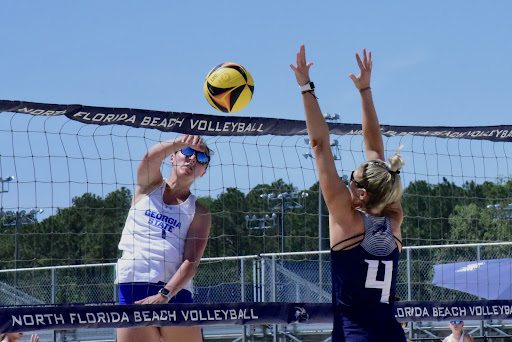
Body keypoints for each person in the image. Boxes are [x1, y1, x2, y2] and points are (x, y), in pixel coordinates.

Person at [291, 44, 406, 341]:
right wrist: (365, 91)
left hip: (355, 335)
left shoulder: (347, 219)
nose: (347, 182)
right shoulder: (394, 218)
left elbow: (319, 145)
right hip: (391, 334)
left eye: (351, 181)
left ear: (361, 196)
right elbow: (376, 154)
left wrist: (306, 87)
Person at [115, 134, 212, 342]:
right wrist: (181, 141)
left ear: (203, 172)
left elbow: (191, 260)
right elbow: (150, 158)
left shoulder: (199, 211)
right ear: (172, 157)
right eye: (187, 152)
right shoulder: (149, 186)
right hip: (135, 286)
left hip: (174, 292)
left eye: (201, 159)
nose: (193, 159)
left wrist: (164, 295)